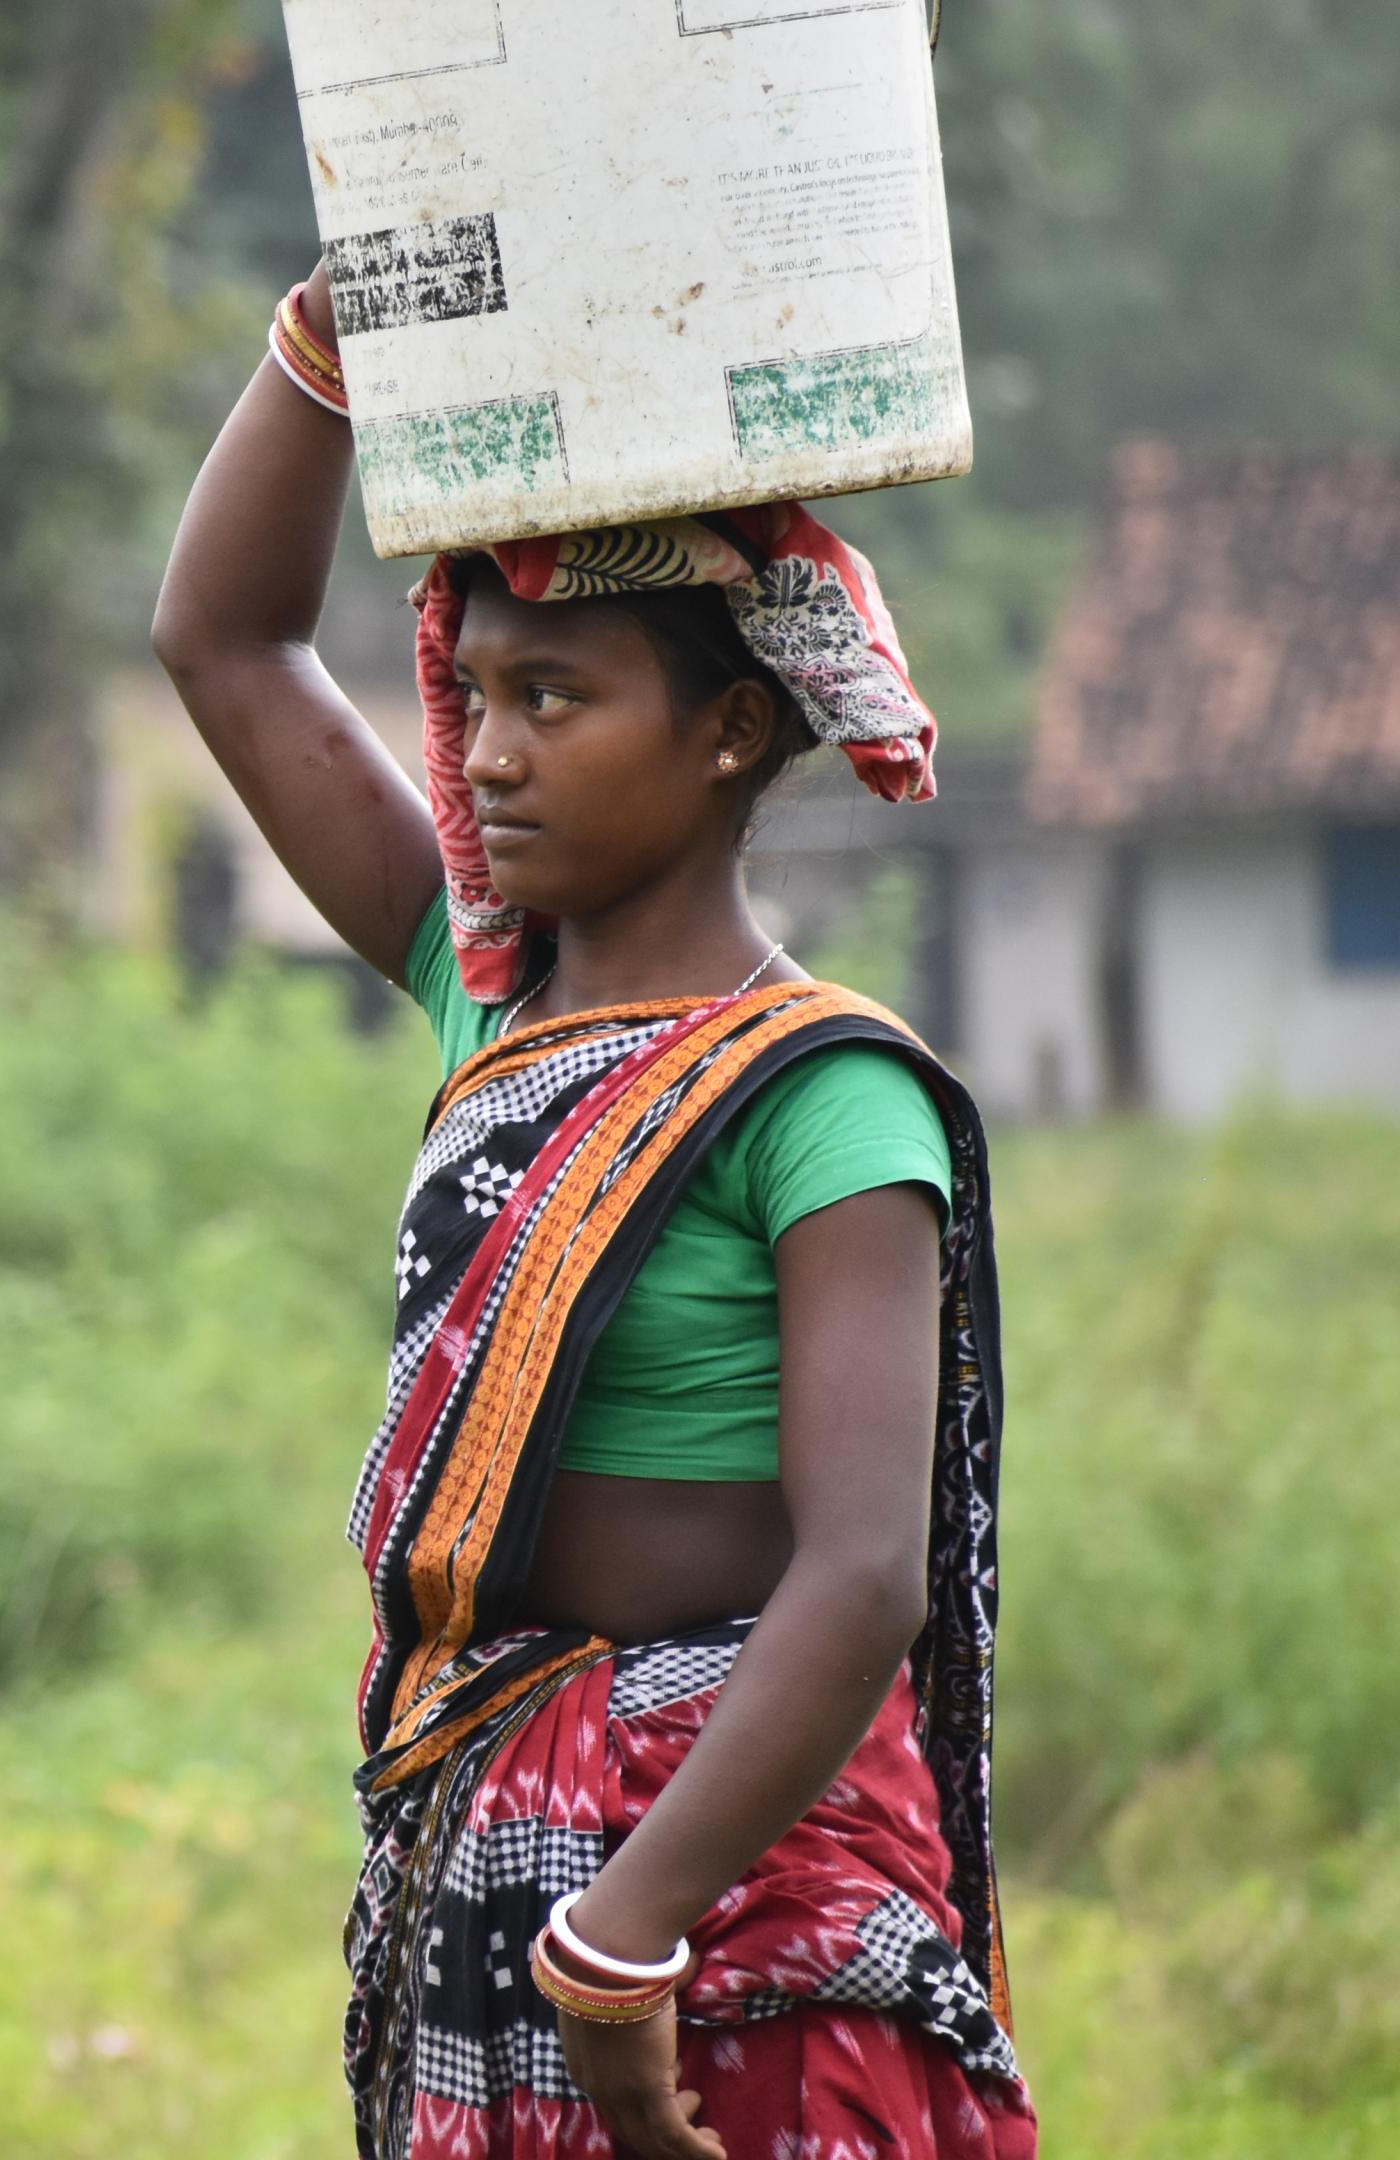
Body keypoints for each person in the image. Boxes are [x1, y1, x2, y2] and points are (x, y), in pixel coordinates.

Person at [151, 270, 1037, 2160]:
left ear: (728, 733)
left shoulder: (822, 1095)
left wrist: (622, 1938)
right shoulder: (493, 998)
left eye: (553, 696)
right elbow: (224, 644)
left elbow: (863, 1571)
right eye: (472, 695)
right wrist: (339, 332)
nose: (483, 754)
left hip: (731, 1866)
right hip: (496, 1815)